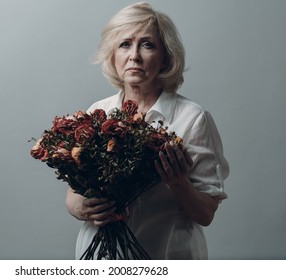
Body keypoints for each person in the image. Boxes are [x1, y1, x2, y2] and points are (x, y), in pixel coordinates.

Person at [65, 2, 229, 259]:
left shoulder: (192, 118)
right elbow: (73, 196)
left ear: (165, 56)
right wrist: (86, 209)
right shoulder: (98, 112)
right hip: (100, 258)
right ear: (113, 55)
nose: (134, 56)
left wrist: (179, 183)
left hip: (166, 254)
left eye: (147, 44)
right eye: (124, 44)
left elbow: (205, 214)